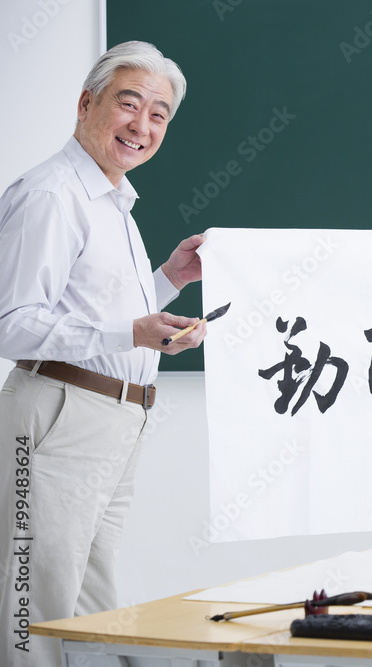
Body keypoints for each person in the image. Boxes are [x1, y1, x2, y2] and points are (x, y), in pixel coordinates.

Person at [0, 41, 208, 666]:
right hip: (61, 416)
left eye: (159, 115)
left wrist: (168, 277)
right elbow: (13, 325)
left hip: (113, 421)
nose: (142, 126)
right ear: (87, 103)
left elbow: (92, 307)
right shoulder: (53, 195)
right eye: (128, 104)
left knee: (92, 605)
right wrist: (132, 334)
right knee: (31, 605)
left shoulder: (110, 198)